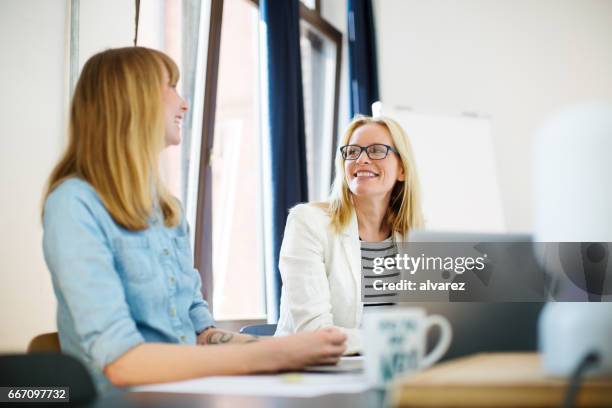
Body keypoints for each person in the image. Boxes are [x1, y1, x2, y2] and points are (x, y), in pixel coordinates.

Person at [41, 47, 346, 393]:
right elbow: (120, 362)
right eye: (169, 86)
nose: (183, 103)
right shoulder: (74, 204)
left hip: (186, 392)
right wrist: (272, 355)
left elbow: (201, 332)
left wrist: (300, 349)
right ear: (129, 99)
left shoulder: (167, 210)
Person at [275, 115, 424, 354]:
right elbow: (315, 335)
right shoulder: (308, 222)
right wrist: (394, 341)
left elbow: (429, 325)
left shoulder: (415, 236)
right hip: (311, 375)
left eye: (376, 150)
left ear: (402, 169)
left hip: (389, 371)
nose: (362, 159)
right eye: (352, 152)